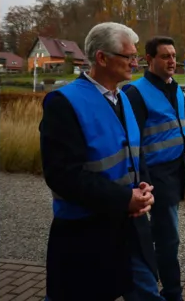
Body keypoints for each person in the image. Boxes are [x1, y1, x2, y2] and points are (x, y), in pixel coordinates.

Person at [40, 22, 165, 301]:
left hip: (131, 227)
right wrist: (124, 198)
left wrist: (144, 191)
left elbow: (135, 153)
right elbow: (62, 174)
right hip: (86, 234)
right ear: (102, 58)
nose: (135, 62)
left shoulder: (124, 99)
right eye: (128, 56)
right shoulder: (64, 103)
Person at [123, 36, 185, 301]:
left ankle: (154, 286)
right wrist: (144, 181)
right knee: (168, 239)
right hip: (154, 177)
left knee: (164, 236)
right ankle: (171, 293)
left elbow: (184, 126)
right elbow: (132, 143)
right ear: (149, 59)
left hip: (176, 171)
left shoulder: (176, 89)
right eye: (165, 56)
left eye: (174, 56)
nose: (172, 61)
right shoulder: (135, 93)